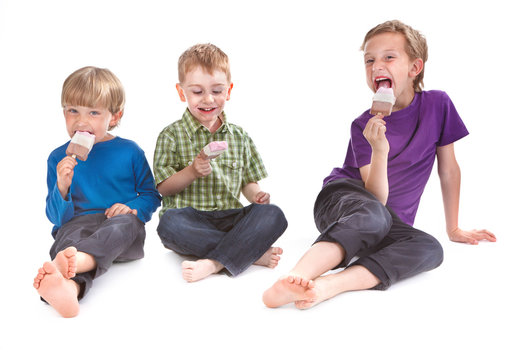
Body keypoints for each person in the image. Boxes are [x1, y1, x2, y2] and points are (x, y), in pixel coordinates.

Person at [262, 20, 496, 309]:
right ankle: (296, 277)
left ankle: (328, 286)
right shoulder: (364, 125)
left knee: (430, 248)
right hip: (343, 201)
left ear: (415, 68)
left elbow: (448, 170)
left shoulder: (438, 104)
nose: (376, 66)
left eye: (389, 57)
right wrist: (379, 151)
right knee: (374, 215)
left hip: (387, 222)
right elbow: (375, 199)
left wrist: (453, 228)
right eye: (369, 60)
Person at [33, 66, 161, 317]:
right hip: (77, 226)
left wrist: (133, 208)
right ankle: (70, 289)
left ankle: (76, 262)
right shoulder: (58, 158)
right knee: (68, 241)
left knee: (126, 223)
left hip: (121, 229)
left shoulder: (130, 151)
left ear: (113, 117)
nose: (81, 121)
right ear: (64, 113)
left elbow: (151, 195)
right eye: (73, 111)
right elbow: (56, 218)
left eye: (93, 112)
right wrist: (62, 185)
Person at [154, 43, 287, 283]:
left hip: (231, 217)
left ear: (229, 90)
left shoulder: (240, 136)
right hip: (190, 219)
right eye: (197, 92)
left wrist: (256, 195)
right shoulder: (170, 135)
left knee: (273, 214)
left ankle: (215, 261)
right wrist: (192, 171)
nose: (208, 99)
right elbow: (162, 187)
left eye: (217, 91)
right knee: (169, 225)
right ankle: (249, 252)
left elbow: (248, 181)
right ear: (182, 92)